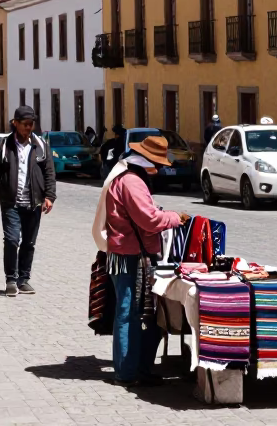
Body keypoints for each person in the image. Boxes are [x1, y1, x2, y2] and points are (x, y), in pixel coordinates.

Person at [103, 133, 188, 386]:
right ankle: (127, 373)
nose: (160, 169)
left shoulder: (129, 178)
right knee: (130, 313)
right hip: (129, 255)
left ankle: (134, 368)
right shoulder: (132, 182)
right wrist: (174, 217)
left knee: (135, 313)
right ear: (148, 161)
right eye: (158, 164)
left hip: (127, 252)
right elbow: (149, 220)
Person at [0, 106, 56, 297]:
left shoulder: (40, 145)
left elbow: (49, 173)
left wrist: (49, 196)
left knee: (29, 243)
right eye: (25, 124)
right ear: (15, 123)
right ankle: (11, 280)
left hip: (34, 202)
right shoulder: (3, 146)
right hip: (10, 202)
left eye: (31, 124)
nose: (29, 128)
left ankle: (24, 279)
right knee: (12, 239)